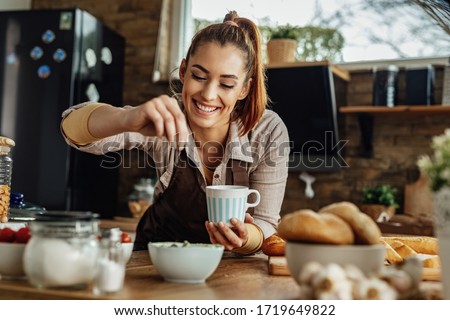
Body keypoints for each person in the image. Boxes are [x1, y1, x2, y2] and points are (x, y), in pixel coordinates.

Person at [61, 11, 290, 254]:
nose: (209, 94)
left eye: (226, 84)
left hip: (231, 268)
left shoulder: (267, 130)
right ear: (183, 71)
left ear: (245, 88)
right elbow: (71, 130)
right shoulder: (165, 117)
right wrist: (126, 118)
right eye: (199, 76)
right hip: (158, 259)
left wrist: (244, 239)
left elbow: (265, 224)